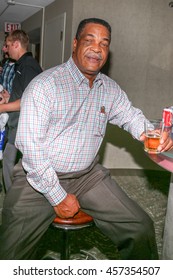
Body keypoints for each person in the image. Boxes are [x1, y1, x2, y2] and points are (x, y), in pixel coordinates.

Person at [0, 18, 173, 260]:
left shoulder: (110, 89)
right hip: (37, 176)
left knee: (140, 227)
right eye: (89, 40)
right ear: (74, 44)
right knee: (10, 253)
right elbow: (32, 149)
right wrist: (57, 196)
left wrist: (150, 132)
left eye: (104, 43)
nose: (96, 48)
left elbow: (130, 115)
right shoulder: (44, 86)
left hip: (88, 176)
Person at [0, 30, 42, 192]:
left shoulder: (28, 66)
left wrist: (2, 107)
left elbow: (28, 101)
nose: (5, 49)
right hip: (16, 125)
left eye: (8, 45)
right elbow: (24, 94)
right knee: (9, 163)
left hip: (23, 127)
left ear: (16, 44)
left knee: (11, 164)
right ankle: (15, 198)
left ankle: (15, 201)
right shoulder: (22, 65)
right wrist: (9, 98)